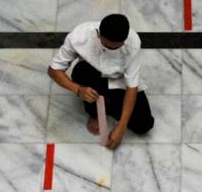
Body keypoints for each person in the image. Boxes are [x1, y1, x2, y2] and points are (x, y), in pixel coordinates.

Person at [47, 14, 154, 149]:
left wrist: (121, 126)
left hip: (119, 80)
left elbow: (132, 87)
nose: (112, 50)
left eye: (116, 47)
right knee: (81, 72)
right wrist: (78, 90)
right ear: (98, 34)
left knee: (144, 125)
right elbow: (53, 70)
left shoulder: (133, 42)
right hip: (91, 74)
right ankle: (94, 112)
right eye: (108, 46)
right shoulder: (79, 36)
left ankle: (108, 103)